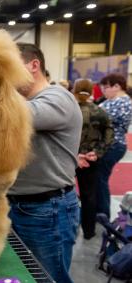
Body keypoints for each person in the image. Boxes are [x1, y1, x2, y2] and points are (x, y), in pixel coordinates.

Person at [8, 43, 82, 283]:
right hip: (18, 205)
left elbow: (21, 116)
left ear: (34, 65)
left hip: (48, 209)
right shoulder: (24, 101)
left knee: (48, 278)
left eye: (10, 67)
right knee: (22, 273)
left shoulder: (58, 98)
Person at [73, 78, 114, 239]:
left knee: (63, 195)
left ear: (74, 90)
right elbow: (110, 134)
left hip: (68, 159)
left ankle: (69, 229)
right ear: (92, 91)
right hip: (90, 159)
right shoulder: (101, 112)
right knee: (89, 195)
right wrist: (97, 152)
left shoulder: (68, 110)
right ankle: (89, 232)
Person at [97, 73, 132, 218]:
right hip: (107, 144)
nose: (103, 91)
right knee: (98, 179)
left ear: (117, 86)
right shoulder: (112, 101)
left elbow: (103, 117)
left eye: (106, 87)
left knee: (100, 179)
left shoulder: (124, 102)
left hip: (113, 145)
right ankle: (99, 211)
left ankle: (102, 213)